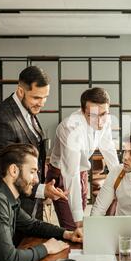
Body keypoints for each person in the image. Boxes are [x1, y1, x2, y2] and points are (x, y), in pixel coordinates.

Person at [0, 66, 67, 222]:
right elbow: (6, 174)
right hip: (11, 209)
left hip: (31, 202)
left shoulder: (27, 109)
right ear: (21, 91)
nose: (42, 103)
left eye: (45, 97)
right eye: (36, 97)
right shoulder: (2, 120)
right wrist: (42, 190)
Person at [48, 87, 119, 230]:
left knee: (84, 228)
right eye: (92, 116)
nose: (99, 121)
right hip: (61, 176)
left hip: (82, 173)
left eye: (103, 114)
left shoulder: (106, 119)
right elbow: (71, 173)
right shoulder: (70, 128)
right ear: (82, 111)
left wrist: (120, 177)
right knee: (73, 228)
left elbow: (108, 148)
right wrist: (78, 217)